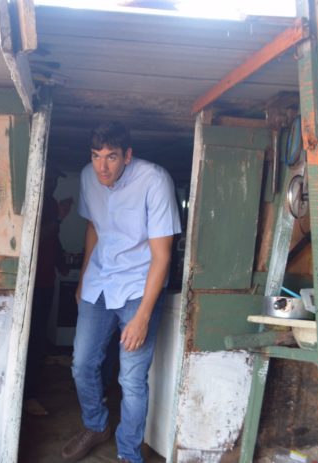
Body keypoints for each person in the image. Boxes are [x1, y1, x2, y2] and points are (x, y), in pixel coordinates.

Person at [61, 122, 181, 463]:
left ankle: (128, 453)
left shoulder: (154, 180)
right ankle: (96, 425)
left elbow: (162, 256)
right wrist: (83, 278)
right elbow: (94, 227)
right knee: (82, 364)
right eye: (96, 156)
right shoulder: (89, 177)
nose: (102, 167)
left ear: (128, 156)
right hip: (99, 284)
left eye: (111, 157)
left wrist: (143, 316)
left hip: (138, 289)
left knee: (131, 378)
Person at [23, 168, 72, 416]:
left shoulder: (51, 203)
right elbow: (34, 237)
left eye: (55, 180)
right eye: (49, 179)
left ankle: (34, 389)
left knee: (39, 338)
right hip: (29, 284)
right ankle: (27, 396)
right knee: (30, 339)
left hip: (46, 281)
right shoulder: (32, 201)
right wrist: (60, 218)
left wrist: (61, 262)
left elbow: (54, 239)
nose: (52, 185)